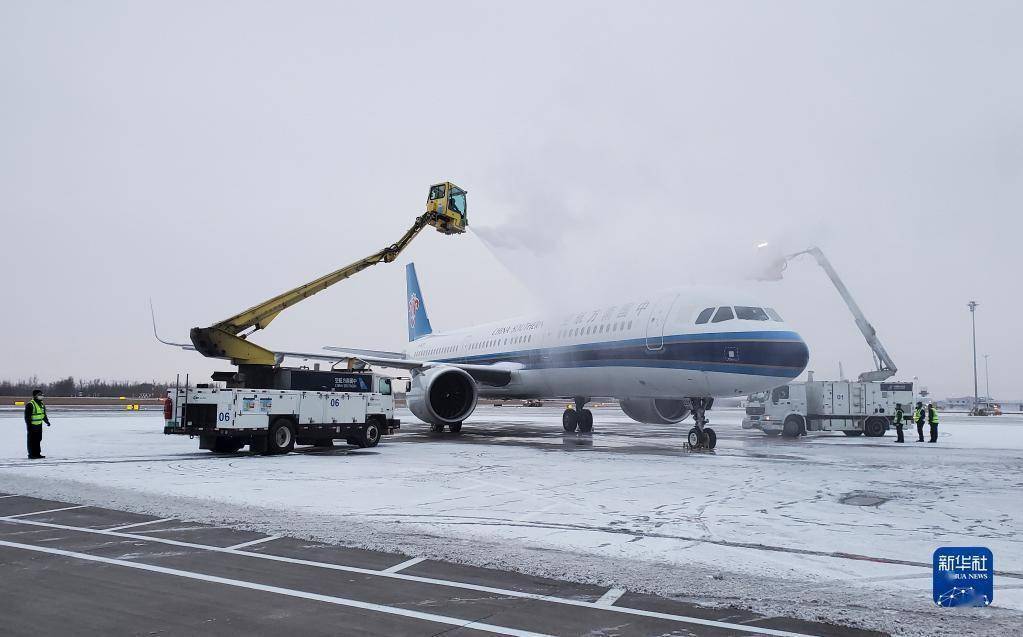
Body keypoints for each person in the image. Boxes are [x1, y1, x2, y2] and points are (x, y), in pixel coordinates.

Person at [24, 389, 51, 459]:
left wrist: (47, 421)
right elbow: (27, 417)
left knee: (38, 440)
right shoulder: (30, 404)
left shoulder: (41, 404)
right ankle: (31, 454)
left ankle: (37, 454)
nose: (41, 396)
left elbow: (43, 414)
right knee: (31, 441)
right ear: (35, 396)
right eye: (39, 395)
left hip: (39, 425)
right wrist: (29, 426)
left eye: (42, 395)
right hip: (32, 426)